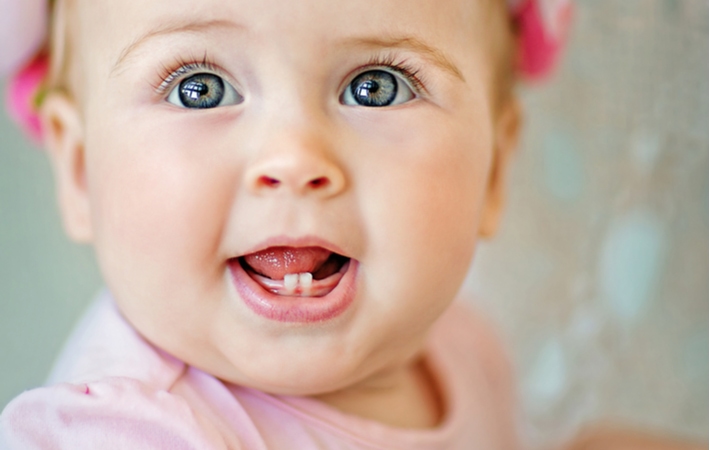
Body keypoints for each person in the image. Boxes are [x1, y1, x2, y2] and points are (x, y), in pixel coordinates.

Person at [0, 0, 702, 449]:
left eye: (375, 86)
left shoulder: (463, 350)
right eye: (200, 88)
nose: (295, 158)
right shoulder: (127, 433)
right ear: (81, 167)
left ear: (494, 168)